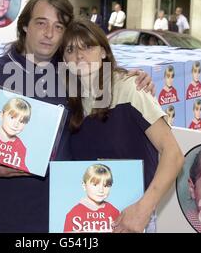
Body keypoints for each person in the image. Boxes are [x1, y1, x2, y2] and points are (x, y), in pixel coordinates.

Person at [0, 0, 154, 233]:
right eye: (41, 23)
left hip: (69, 223)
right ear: (25, 25)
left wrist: (135, 77)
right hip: (7, 221)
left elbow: (106, 73)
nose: (49, 34)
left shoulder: (75, 75)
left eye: (58, 27)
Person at [61, 18, 184, 233]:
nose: (79, 56)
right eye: (70, 50)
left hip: (131, 218)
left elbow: (172, 154)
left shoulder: (131, 89)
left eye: (87, 46)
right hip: (86, 220)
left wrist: (144, 209)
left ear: (103, 52)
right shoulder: (67, 100)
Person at [63, 164, 120, 233]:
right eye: (95, 185)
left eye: (106, 186)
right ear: (84, 186)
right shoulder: (74, 214)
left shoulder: (114, 211)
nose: (101, 190)